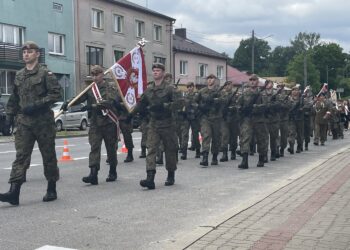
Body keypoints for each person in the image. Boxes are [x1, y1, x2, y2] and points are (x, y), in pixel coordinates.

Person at [0, 41, 62, 205]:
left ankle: (51, 188)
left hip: (43, 123)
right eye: (24, 51)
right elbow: (14, 97)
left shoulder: (45, 74)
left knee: (48, 156)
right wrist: (9, 116)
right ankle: (14, 192)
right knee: (21, 157)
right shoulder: (20, 74)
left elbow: (56, 94)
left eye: (29, 51)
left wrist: (37, 105)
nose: (26, 54)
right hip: (24, 123)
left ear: (37, 54)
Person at [66, 65, 119, 185]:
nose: (95, 77)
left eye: (97, 74)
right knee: (94, 147)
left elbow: (109, 102)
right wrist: (69, 103)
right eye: (93, 75)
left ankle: (112, 170)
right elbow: (80, 98)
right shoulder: (90, 88)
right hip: (95, 123)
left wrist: (92, 106)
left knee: (111, 148)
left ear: (102, 74)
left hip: (108, 122)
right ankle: (93, 173)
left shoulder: (110, 86)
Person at [134, 63, 179, 189]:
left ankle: (171, 174)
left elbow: (180, 103)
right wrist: (130, 115)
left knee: (170, 150)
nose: (155, 72)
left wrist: (164, 106)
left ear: (163, 73)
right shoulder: (149, 90)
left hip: (168, 124)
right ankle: (150, 178)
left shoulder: (170, 89)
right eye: (154, 70)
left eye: (158, 70)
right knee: (151, 149)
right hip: (154, 123)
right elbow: (141, 104)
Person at [195, 74, 222, 167]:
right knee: (206, 136)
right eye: (208, 79)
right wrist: (200, 107)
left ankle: (214, 156)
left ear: (215, 80)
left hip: (216, 117)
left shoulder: (219, 91)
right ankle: (205, 157)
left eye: (212, 78)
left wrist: (216, 101)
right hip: (205, 117)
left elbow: (224, 102)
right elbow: (195, 102)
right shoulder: (202, 91)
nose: (210, 80)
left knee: (216, 138)